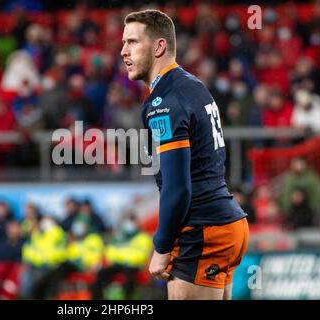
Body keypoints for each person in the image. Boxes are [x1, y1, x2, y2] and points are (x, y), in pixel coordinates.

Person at [121, 9, 248, 300]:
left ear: (159, 46)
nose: (123, 51)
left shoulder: (165, 101)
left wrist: (162, 247)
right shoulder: (191, 85)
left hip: (202, 231)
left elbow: (177, 188)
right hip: (225, 223)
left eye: (132, 42)